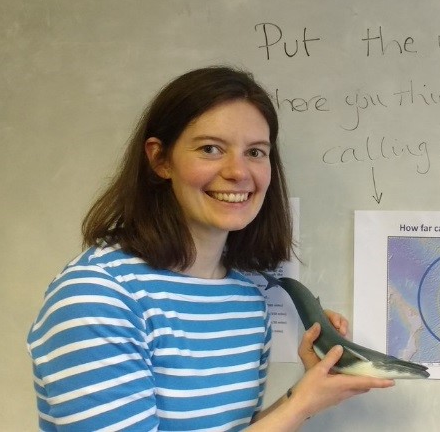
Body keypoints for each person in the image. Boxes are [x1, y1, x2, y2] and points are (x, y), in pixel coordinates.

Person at [27, 66, 394, 431]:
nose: (238, 171)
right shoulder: (96, 296)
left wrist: (305, 394)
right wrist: (299, 406)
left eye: (255, 152)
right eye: (210, 149)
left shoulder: (246, 297)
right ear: (160, 160)